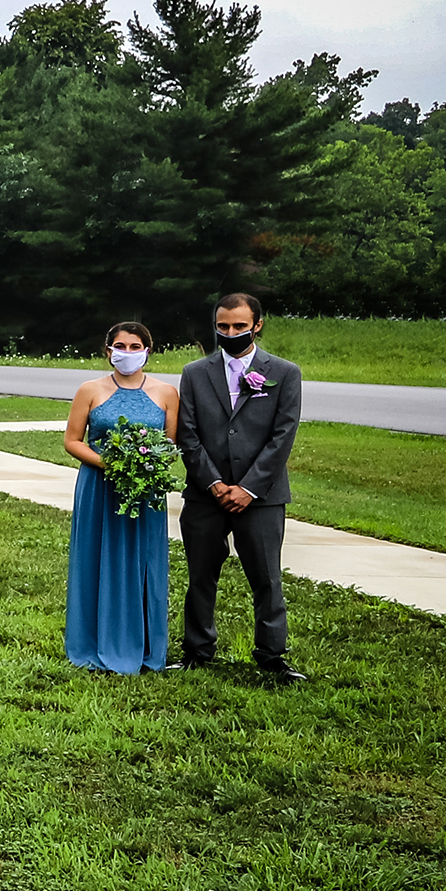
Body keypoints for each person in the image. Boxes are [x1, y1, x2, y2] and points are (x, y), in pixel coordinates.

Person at [177, 291, 305, 682]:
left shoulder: (284, 372)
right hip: (205, 494)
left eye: (239, 326)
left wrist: (248, 487)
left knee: (266, 577)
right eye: (222, 326)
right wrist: (214, 482)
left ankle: (272, 655)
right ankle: (197, 650)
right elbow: (188, 433)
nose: (230, 333)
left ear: (257, 325)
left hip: (261, 497)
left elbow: (283, 436)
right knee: (200, 575)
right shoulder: (195, 373)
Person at [64, 320, 179, 674]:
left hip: (144, 493)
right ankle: (93, 641)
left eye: (134, 347)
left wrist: (143, 465)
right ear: (108, 349)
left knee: (143, 562)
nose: (126, 353)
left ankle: (144, 645)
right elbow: (72, 441)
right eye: (120, 346)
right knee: (97, 558)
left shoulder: (166, 393)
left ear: (148, 350)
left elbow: (171, 445)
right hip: (99, 487)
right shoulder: (89, 390)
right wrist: (113, 464)